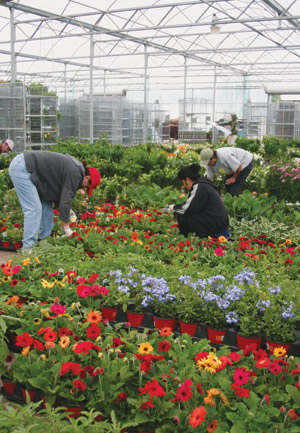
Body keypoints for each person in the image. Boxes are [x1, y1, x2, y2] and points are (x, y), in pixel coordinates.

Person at [9, 150, 101, 250]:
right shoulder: (75, 173)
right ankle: (28, 249)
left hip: (27, 167)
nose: (84, 188)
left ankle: (44, 242)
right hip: (23, 167)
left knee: (46, 206)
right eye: (87, 186)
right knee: (34, 209)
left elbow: (60, 197)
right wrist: (66, 228)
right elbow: (65, 200)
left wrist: (68, 212)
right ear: (87, 177)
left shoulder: (75, 170)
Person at [162, 163, 230, 239]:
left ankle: (186, 239)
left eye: (183, 182)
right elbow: (193, 205)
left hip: (215, 229)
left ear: (187, 180)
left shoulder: (199, 186)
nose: (184, 185)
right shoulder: (204, 184)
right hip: (220, 226)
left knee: (182, 217)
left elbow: (188, 209)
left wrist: (173, 208)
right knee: (186, 214)